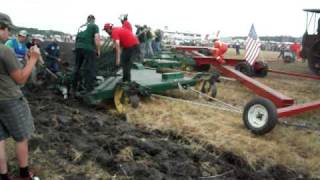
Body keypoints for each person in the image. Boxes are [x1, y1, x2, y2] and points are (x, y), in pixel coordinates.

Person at [0, 12, 40, 179]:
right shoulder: (5, 51)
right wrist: (33, 59)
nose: (9, 33)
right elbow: (21, 79)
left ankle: (3, 175)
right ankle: (24, 174)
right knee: (21, 137)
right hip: (9, 99)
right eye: (8, 29)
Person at [72, 14, 100, 93]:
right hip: (88, 48)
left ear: (87, 19)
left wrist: (76, 47)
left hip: (78, 48)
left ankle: (73, 88)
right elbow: (97, 38)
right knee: (90, 69)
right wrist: (98, 50)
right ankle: (89, 90)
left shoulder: (81, 27)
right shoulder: (94, 26)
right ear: (93, 20)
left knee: (77, 67)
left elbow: (77, 39)